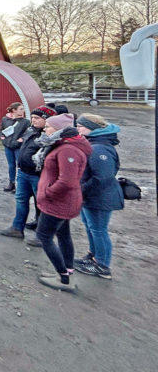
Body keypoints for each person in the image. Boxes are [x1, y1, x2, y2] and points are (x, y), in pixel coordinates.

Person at [34, 113, 91, 292]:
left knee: (44, 236)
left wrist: (47, 193)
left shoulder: (68, 150)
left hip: (58, 202)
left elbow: (67, 180)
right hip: (62, 201)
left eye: (49, 127)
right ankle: (67, 271)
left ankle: (64, 276)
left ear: (58, 130)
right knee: (63, 234)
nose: (45, 129)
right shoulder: (63, 144)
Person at [73, 113, 124, 280]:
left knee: (99, 230)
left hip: (100, 197)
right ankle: (93, 256)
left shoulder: (99, 148)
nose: (77, 128)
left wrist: (81, 189)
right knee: (91, 228)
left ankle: (102, 264)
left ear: (92, 128)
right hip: (91, 196)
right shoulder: (93, 144)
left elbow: (102, 177)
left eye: (81, 125)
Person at [0, 106, 55, 240]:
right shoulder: (30, 130)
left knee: (41, 203)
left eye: (37, 118)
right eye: (33, 117)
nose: (33, 120)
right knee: (21, 200)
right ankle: (17, 228)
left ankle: (42, 234)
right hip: (24, 172)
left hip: (38, 174)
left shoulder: (49, 135)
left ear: (46, 119)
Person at [0, 102, 31, 192]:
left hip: (19, 146)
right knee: (11, 165)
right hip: (8, 145)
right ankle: (11, 182)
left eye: (23, 109)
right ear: (14, 110)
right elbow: (1, 130)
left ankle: (19, 184)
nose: (23, 111)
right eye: (20, 109)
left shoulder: (25, 122)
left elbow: (27, 133)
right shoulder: (5, 119)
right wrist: (3, 139)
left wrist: (21, 140)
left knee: (20, 165)